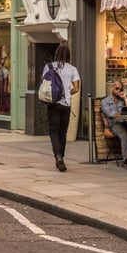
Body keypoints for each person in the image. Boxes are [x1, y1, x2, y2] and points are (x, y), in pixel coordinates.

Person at [44, 43, 81, 172]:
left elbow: (45, 85)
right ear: (68, 55)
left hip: (53, 104)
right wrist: (66, 93)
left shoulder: (48, 67)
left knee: (53, 131)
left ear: (56, 54)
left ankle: (58, 156)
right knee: (62, 132)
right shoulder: (73, 69)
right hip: (66, 104)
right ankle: (61, 157)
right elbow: (76, 88)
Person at [101, 81, 127, 168]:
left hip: (125, 122)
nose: (118, 90)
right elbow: (112, 114)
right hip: (115, 123)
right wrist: (123, 115)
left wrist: (125, 99)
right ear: (112, 88)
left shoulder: (122, 100)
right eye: (116, 88)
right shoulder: (105, 101)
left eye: (120, 89)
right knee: (124, 135)